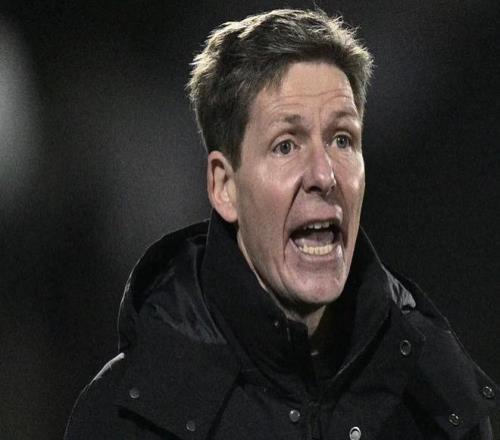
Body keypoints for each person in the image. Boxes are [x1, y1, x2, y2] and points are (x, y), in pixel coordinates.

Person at [65, 8, 498, 440]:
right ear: (224, 186)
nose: (324, 175)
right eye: (286, 145)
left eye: (342, 139)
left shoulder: (439, 402)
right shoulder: (128, 417)